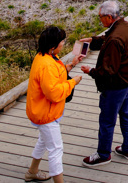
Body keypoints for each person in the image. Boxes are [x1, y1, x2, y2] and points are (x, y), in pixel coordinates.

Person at [80, 0, 128, 166]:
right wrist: (92, 40)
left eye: (100, 17)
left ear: (108, 17)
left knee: (107, 120)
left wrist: (90, 71)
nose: (100, 20)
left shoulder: (114, 40)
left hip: (116, 85)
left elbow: (107, 72)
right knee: (126, 114)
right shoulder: (125, 26)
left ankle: (103, 154)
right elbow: (108, 38)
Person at [25, 25, 84, 183]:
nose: (64, 44)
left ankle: (32, 171)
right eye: (62, 42)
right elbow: (53, 93)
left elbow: (53, 76)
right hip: (46, 113)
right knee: (56, 149)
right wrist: (73, 83)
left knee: (44, 140)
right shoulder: (47, 65)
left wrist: (71, 65)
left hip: (40, 110)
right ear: (53, 46)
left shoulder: (42, 56)